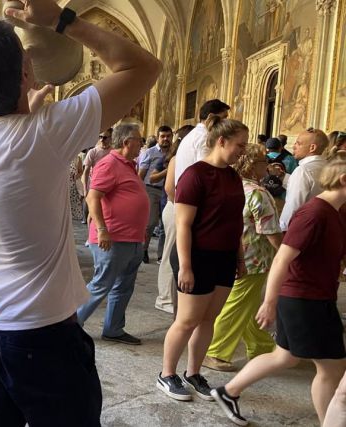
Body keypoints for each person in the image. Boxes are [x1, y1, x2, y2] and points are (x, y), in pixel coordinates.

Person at [0, 1, 161, 424]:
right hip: (39, 334)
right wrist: (62, 20)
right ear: (27, 74)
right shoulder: (47, 132)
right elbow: (144, 67)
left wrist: (32, 105)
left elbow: (8, 131)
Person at [212, 153, 346, 426]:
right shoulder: (314, 213)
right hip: (305, 300)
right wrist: (269, 302)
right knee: (331, 368)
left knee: (285, 357)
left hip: (313, 297)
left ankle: (228, 391)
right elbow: (283, 258)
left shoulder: (337, 212)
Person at [158, 116, 248, 402]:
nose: (242, 151)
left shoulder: (233, 176)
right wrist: (185, 266)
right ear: (221, 141)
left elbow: (235, 221)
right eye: (239, 145)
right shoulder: (195, 175)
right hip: (195, 255)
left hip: (223, 256)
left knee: (209, 318)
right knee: (187, 320)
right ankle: (167, 374)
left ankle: (193, 372)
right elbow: (184, 225)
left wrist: (240, 257)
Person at [203, 144, 280, 372]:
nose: (266, 167)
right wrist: (286, 254)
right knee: (236, 306)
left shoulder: (233, 187)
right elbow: (270, 231)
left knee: (248, 304)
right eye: (263, 162)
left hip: (231, 253)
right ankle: (215, 350)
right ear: (253, 165)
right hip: (254, 257)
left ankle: (261, 346)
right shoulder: (258, 193)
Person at [77, 123, 149, 344]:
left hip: (132, 238)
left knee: (123, 285)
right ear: (127, 142)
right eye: (140, 139)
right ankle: (68, 327)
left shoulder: (128, 165)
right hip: (113, 238)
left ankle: (114, 329)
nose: (142, 143)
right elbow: (93, 197)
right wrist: (102, 230)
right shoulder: (109, 163)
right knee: (101, 284)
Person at [155, 124, 194, 314]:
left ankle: (175, 296)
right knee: (171, 251)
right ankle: (165, 298)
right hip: (175, 208)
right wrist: (183, 205)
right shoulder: (177, 159)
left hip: (183, 209)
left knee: (180, 253)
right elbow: (170, 188)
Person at [277, 127, 329, 231]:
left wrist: (283, 230)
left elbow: (294, 205)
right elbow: (309, 188)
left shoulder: (303, 171)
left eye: (298, 143)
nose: (294, 146)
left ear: (312, 148)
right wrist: (283, 177)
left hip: (302, 229)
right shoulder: (328, 166)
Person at [174, 99, 231, 185]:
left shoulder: (194, 134)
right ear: (211, 117)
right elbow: (205, 171)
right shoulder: (205, 137)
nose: (226, 122)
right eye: (224, 118)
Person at [139, 125, 173, 263]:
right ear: (158, 137)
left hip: (168, 190)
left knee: (165, 225)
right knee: (151, 222)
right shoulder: (150, 152)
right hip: (151, 189)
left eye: (168, 136)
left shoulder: (174, 152)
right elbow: (141, 174)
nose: (165, 139)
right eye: (162, 136)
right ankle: (143, 249)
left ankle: (161, 255)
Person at [82, 128, 114, 223]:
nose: (101, 140)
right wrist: (85, 189)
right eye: (100, 137)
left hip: (109, 186)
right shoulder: (93, 152)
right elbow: (86, 172)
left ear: (110, 138)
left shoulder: (113, 152)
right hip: (94, 185)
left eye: (104, 137)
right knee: (92, 213)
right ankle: (90, 236)